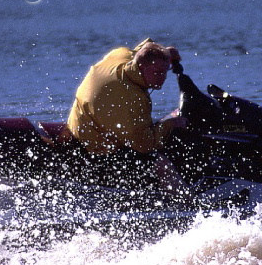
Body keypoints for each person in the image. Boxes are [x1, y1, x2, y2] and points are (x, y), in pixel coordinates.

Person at [66, 38, 188, 191]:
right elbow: (145, 145)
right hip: (94, 150)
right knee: (160, 162)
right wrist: (171, 124)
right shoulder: (130, 99)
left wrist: (164, 51)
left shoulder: (122, 56)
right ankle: (189, 208)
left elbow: (141, 50)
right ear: (142, 66)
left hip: (86, 128)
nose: (162, 77)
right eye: (157, 72)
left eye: (165, 71)